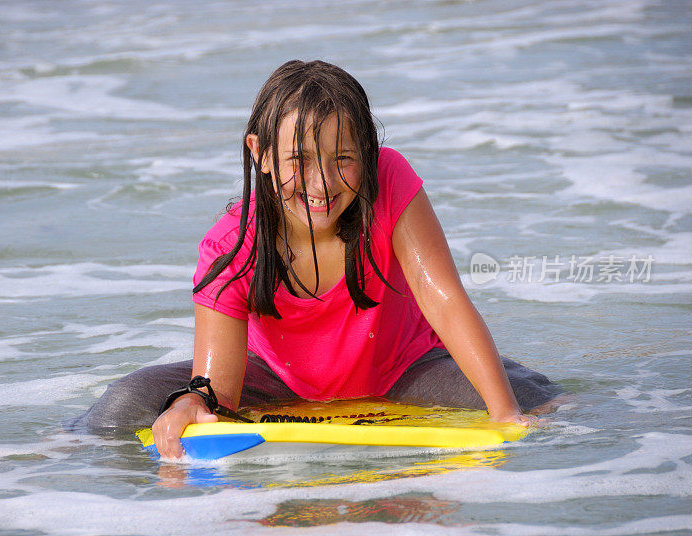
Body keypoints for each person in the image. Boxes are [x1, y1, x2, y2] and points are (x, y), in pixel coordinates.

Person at [74, 60, 563, 458]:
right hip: (275, 383)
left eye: (343, 158)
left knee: (528, 399)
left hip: (403, 370)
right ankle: (52, 461)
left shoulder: (388, 181)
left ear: (369, 154)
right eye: (299, 160)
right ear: (260, 153)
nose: (322, 183)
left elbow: (446, 302)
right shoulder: (232, 245)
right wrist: (189, 407)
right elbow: (217, 390)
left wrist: (505, 418)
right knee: (122, 405)